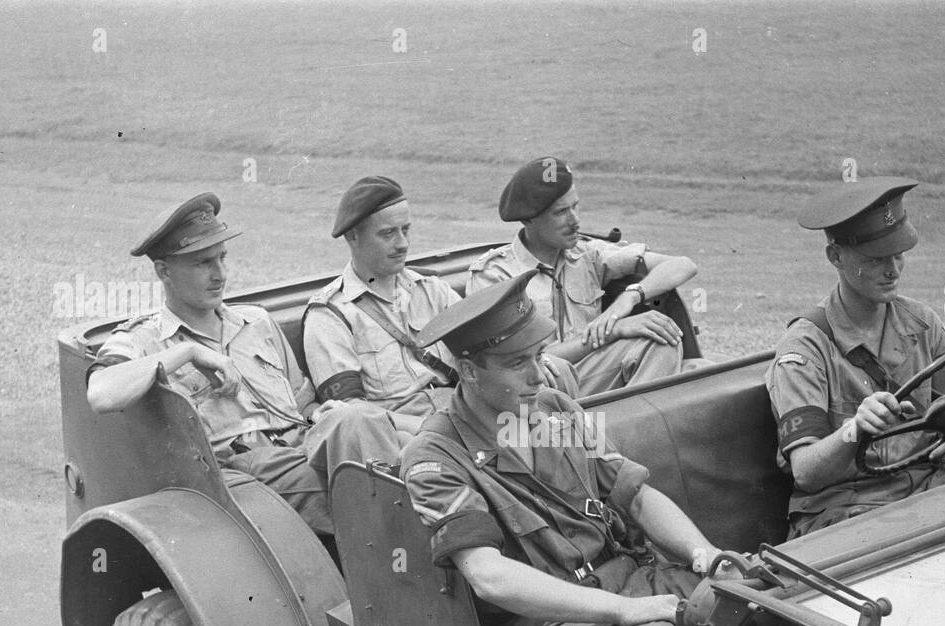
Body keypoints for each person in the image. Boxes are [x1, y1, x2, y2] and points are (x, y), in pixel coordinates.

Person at [401, 271, 735, 626]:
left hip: (633, 582)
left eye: (540, 355)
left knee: (746, 596)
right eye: (518, 363)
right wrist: (623, 611)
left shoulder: (557, 411)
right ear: (468, 371)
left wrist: (703, 554)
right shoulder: (437, 457)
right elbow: (488, 576)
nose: (539, 376)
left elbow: (635, 495)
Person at [766, 177, 945, 537]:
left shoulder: (921, 323)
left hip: (926, 484)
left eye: (898, 255)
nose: (893, 270)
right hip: (847, 510)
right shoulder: (804, 350)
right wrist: (854, 430)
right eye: (876, 259)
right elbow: (806, 471)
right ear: (836, 257)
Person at [87, 192, 335, 538]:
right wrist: (188, 352)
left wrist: (321, 415)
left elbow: (302, 401)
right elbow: (101, 394)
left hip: (303, 451)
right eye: (203, 263)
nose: (219, 275)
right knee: (359, 486)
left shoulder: (257, 322)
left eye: (222, 258)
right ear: (164, 271)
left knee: (371, 436)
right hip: (242, 482)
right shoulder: (143, 340)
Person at [302, 175, 579, 477]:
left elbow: (490, 349)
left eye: (406, 230)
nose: (403, 244)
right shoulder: (330, 314)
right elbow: (353, 415)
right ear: (353, 237)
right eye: (388, 234)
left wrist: (534, 360)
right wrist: (431, 427)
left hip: (464, 410)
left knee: (555, 373)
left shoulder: (432, 291)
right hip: (399, 431)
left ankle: (573, 477)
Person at [466, 157, 697, 396]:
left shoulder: (586, 254)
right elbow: (510, 365)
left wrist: (629, 298)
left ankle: (616, 427)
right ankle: (616, 428)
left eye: (575, 207)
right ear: (529, 219)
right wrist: (614, 330)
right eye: (561, 212)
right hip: (537, 390)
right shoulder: (495, 275)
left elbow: (682, 265)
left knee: (664, 340)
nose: (575, 221)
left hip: (588, 377)